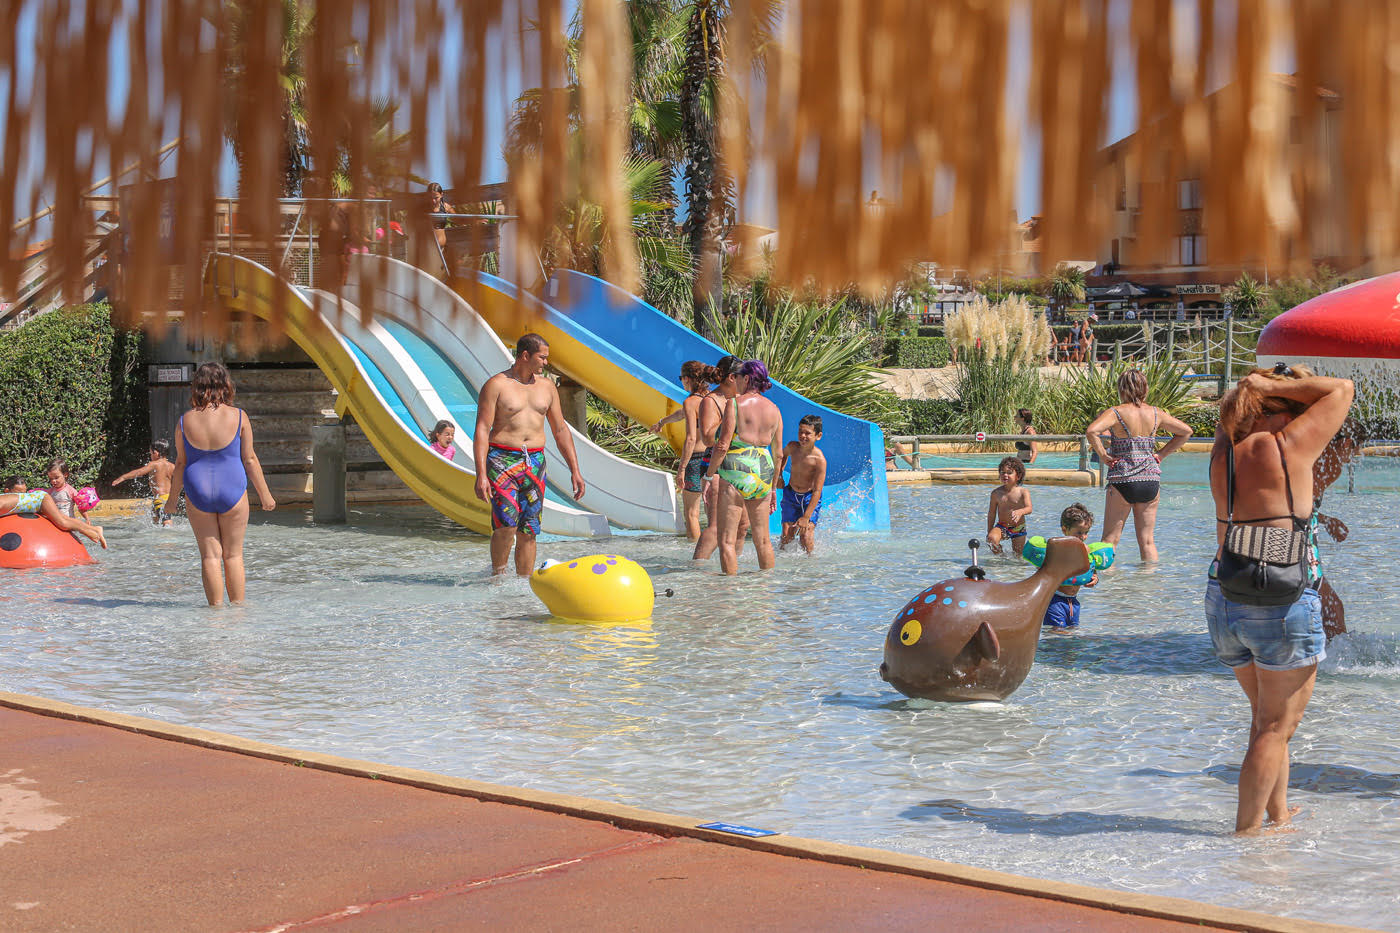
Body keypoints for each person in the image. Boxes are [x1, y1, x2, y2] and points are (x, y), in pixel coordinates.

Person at [1206, 364, 1353, 834]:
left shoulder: (1223, 449)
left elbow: (1233, 413)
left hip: (1224, 596)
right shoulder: (1288, 448)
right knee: (1273, 728)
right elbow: (1342, 389)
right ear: (1282, 410)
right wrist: (1272, 385)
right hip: (1280, 598)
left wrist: (1255, 388)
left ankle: (1279, 815)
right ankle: (1246, 836)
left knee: (1264, 719)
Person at [165, 362, 277, 606]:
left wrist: (171, 501)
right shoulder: (239, 416)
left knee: (210, 557)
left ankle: (214, 617)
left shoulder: (185, 421)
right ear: (226, 385)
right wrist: (265, 495)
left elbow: (181, 464)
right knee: (234, 555)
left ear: (197, 387)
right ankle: (237, 615)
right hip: (233, 488)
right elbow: (249, 458)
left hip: (197, 489)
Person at [473, 333, 586, 576]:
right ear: (526, 355)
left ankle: (524, 583)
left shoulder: (547, 387)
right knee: (506, 525)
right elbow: (482, 429)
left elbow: (560, 429)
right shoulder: (497, 385)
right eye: (542, 358)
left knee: (530, 529)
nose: (546, 363)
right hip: (502, 460)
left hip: (534, 463)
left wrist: (575, 470)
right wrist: (481, 474)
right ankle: (498, 579)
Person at [1084, 369, 1193, 562]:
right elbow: (1185, 431)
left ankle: (1107, 588)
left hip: (1123, 480)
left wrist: (1103, 455)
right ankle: (1149, 588)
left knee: (1109, 541)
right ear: (1145, 388)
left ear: (1122, 389)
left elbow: (1092, 431)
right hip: (1150, 480)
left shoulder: (1116, 412)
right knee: (1147, 542)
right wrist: (1161, 454)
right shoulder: (1155, 412)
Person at [705, 359, 782, 574]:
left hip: (737, 469)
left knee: (727, 541)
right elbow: (779, 454)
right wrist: (773, 488)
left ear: (746, 378)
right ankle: (765, 593)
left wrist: (709, 477)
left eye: (738, 377)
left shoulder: (735, 403)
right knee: (763, 541)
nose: (735, 382)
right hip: (764, 471)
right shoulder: (774, 409)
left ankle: (730, 599)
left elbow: (722, 445)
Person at [1309, 418, 1364, 640]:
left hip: (1289, 535)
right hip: (1300, 541)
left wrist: (1324, 519)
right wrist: (1326, 520)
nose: (1357, 455)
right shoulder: (1331, 465)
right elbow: (1295, 507)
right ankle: (1334, 663)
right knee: (1331, 607)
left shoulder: (1312, 454)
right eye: (1357, 448)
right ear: (1347, 443)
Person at [691, 356, 751, 560]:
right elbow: (708, 438)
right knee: (717, 527)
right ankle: (697, 570)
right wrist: (728, 417)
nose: (747, 380)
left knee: (743, 526)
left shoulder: (740, 400)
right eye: (744, 376)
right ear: (732, 377)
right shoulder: (711, 401)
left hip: (739, 465)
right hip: (715, 466)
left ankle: (733, 568)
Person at [664, 361, 723, 541]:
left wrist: (681, 468)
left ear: (687, 379)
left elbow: (690, 438)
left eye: (681, 378)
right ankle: (716, 550)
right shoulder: (713, 398)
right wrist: (663, 421)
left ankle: (695, 559)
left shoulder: (690, 402)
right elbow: (682, 413)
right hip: (714, 459)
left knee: (692, 514)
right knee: (713, 514)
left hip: (695, 460)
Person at [1043, 502, 1099, 629]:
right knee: (1057, 634)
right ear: (1064, 529)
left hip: (1074, 602)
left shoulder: (1086, 550)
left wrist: (1095, 578)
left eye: (1086, 532)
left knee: (1072, 635)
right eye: (1079, 532)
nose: (1083, 537)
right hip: (1055, 601)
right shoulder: (1057, 548)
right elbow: (1042, 571)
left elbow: (1091, 570)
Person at [777, 415, 827, 554]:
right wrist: (779, 475)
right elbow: (781, 456)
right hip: (791, 494)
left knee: (806, 536)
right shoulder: (793, 447)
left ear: (818, 436)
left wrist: (806, 517)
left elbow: (817, 491)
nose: (802, 436)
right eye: (800, 431)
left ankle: (810, 564)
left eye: (807, 433)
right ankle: (781, 564)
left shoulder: (819, 460)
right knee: (787, 536)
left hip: (809, 498)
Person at [0, 487, 107, 549]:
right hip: (37, 501)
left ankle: (89, 531)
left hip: (40, 501)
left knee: (62, 523)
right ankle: (95, 530)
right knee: (64, 519)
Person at [113, 440, 176, 526]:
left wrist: (123, 477)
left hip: (160, 499)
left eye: (151, 453)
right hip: (168, 498)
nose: (150, 456)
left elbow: (139, 472)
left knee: (166, 521)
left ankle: (170, 537)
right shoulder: (172, 466)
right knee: (156, 520)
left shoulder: (154, 464)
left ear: (156, 453)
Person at [985, 456, 1032, 557]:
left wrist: (1020, 512)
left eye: (1009, 472)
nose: (1005, 475)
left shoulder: (1023, 492)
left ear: (1018, 476)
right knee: (992, 539)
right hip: (1002, 526)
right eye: (1002, 472)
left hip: (1018, 528)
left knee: (1018, 556)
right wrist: (989, 531)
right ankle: (1002, 558)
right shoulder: (996, 493)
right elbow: (992, 513)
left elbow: (1029, 508)